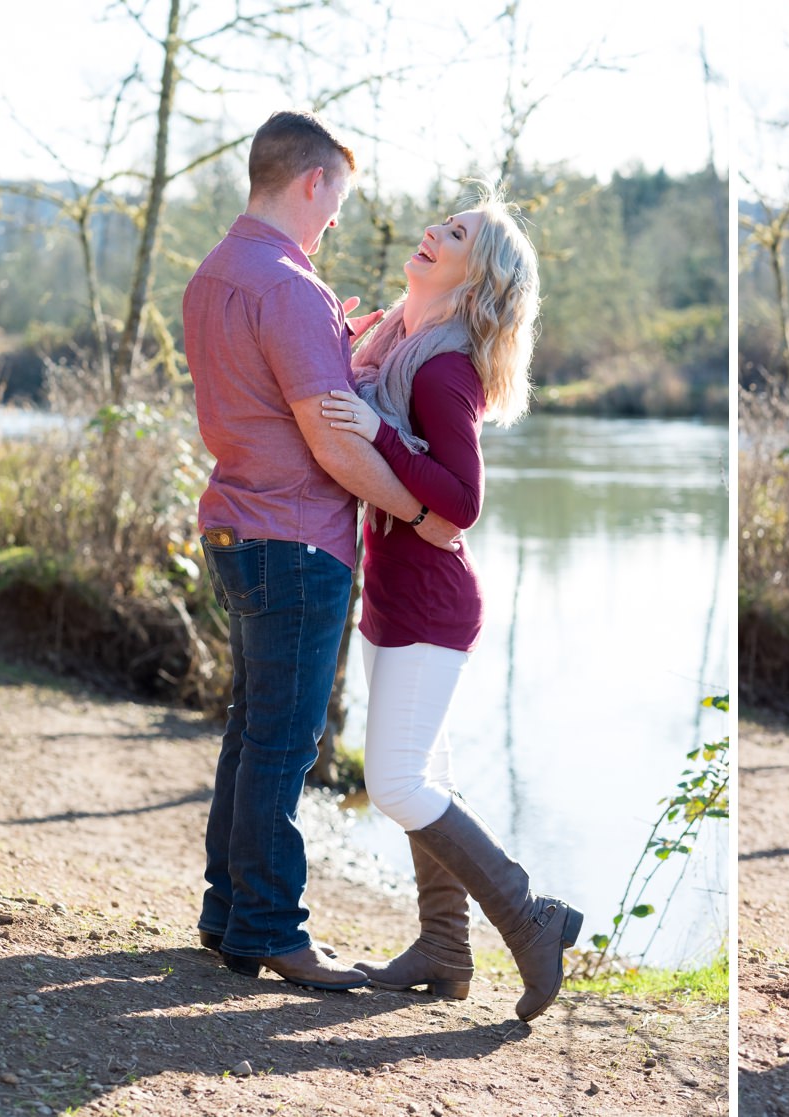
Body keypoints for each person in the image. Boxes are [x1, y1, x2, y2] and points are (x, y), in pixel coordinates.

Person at [185, 109, 463, 992]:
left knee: (252, 728)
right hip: (296, 540)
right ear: (312, 183)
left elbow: (267, 397)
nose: (337, 216)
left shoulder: (216, 274)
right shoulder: (291, 289)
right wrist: (422, 516)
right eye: (337, 196)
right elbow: (337, 445)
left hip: (233, 525)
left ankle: (229, 914)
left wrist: (336, 343)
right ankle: (271, 926)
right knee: (284, 740)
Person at [319, 190, 582, 1022]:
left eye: (457, 233)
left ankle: (529, 917)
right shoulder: (398, 340)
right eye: (441, 222)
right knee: (422, 773)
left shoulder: (442, 366)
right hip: (396, 586)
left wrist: (374, 429)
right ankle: (443, 946)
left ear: (479, 278)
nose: (433, 231)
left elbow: (462, 501)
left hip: (432, 598)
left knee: (394, 781)